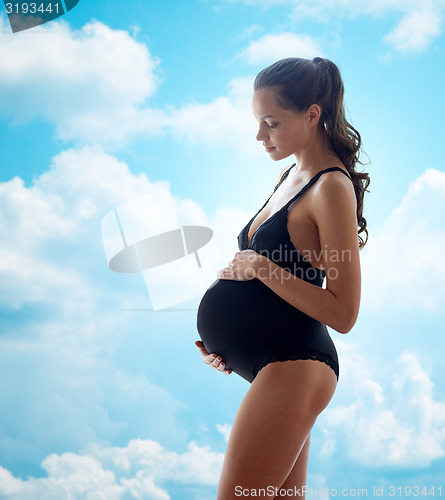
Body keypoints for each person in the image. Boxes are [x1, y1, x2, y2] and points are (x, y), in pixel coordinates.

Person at [195, 57, 370, 499]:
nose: (260, 136)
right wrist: (230, 346)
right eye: (258, 123)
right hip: (271, 365)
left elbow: (344, 312)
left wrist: (261, 267)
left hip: (295, 363)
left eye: (271, 123)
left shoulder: (331, 187)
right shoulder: (290, 175)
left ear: (312, 115)